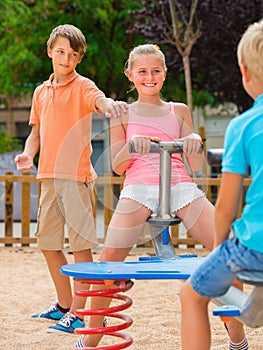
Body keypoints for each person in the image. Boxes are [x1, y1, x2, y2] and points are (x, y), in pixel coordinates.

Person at [74, 43, 247, 349]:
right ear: (131, 75)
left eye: (156, 71)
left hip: (179, 184)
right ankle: (91, 338)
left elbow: (193, 165)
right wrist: (132, 144)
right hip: (139, 186)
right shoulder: (123, 113)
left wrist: (194, 142)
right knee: (110, 258)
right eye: (142, 71)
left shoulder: (178, 110)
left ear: (165, 74)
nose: (149, 77)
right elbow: (117, 165)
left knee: (226, 248)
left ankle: (237, 337)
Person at [15, 24, 127, 335]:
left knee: (80, 248)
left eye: (73, 54)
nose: (66, 58)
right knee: (48, 245)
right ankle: (64, 305)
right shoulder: (41, 91)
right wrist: (28, 154)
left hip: (77, 179)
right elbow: (35, 133)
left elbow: (100, 100)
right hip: (48, 176)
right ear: (50, 51)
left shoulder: (83, 86)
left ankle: (79, 313)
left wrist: (110, 106)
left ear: (79, 58)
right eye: (61, 51)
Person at [180, 19, 263, 350]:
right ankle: (251, 305)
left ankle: (248, 306)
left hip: (253, 248)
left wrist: (217, 249)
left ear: (244, 72)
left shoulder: (243, 126)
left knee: (192, 294)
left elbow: (226, 207)